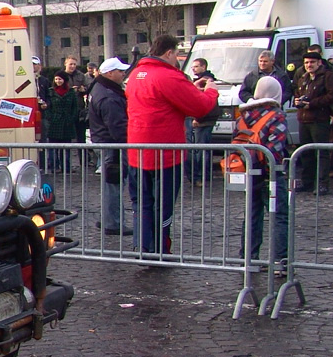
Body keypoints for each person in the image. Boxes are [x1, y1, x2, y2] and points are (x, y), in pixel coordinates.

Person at [125, 35, 219, 255]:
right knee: (163, 204)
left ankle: (143, 245)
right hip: (165, 153)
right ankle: (160, 247)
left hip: (137, 151)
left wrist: (189, 87)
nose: (177, 59)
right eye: (176, 54)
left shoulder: (136, 74)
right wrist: (211, 90)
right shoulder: (168, 76)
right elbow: (201, 106)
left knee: (142, 203)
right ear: (169, 53)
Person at [233, 75, 290, 274]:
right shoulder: (276, 115)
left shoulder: (243, 116)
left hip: (248, 172)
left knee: (251, 215)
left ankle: (248, 259)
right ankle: (279, 261)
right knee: (280, 216)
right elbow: (274, 148)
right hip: (269, 174)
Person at [87, 56, 135, 236]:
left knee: (111, 183)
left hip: (106, 142)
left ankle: (109, 218)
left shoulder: (100, 89)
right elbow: (117, 127)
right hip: (113, 145)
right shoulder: (108, 95)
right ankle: (113, 222)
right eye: (120, 71)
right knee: (113, 183)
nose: (123, 74)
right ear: (110, 73)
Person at [291, 46, 333, 194]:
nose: (309, 65)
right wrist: (298, 102)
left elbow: (332, 95)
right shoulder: (303, 77)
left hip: (319, 118)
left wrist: (312, 103)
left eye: (312, 62)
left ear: (319, 63)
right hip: (304, 119)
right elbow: (297, 92)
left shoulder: (328, 76)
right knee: (306, 153)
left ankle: (322, 183)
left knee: (321, 152)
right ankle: (307, 182)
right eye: (306, 62)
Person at [186, 56, 218, 183]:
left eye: (196, 66)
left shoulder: (206, 81)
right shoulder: (200, 80)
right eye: (192, 67)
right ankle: (202, 176)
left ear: (203, 67)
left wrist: (197, 118)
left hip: (203, 120)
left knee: (201, 150)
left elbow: (203, 102)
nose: (193, 69)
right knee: (201, 149)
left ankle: (202, 176)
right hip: (203, 119)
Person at [42, 71, 81, 172]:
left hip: (67, 123)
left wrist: (71, 118)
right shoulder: (51, 92)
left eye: (60, 79)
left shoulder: (71, 92)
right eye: (56, 79)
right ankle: (54, 167)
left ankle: (66, 167)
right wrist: (50, 117)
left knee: (66, 148)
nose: (58, 81)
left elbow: (75, 107)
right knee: (53, 147)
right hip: (54, 123)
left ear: (64, 80)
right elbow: (48, 107)